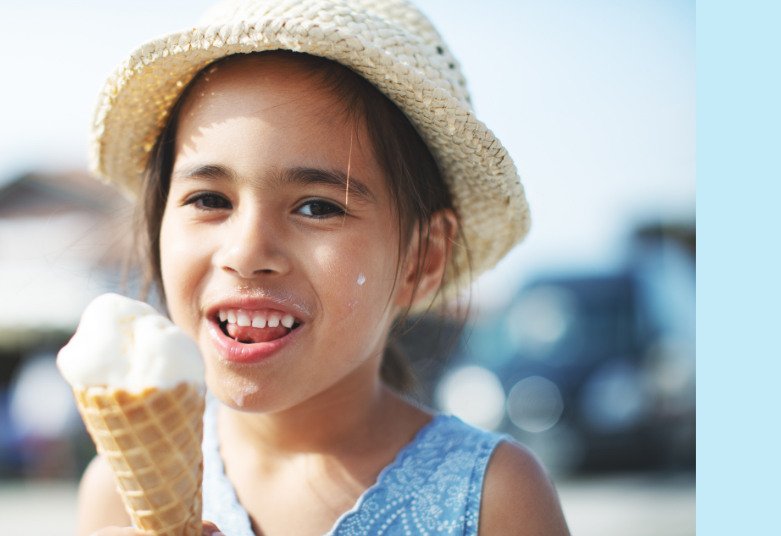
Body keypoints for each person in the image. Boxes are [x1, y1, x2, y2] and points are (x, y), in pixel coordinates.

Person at [77, 1, 570, 535]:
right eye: (210, 199)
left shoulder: (496, 496)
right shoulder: (116, 494)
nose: (246, 253)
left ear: (421, 259)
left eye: (317, 207)